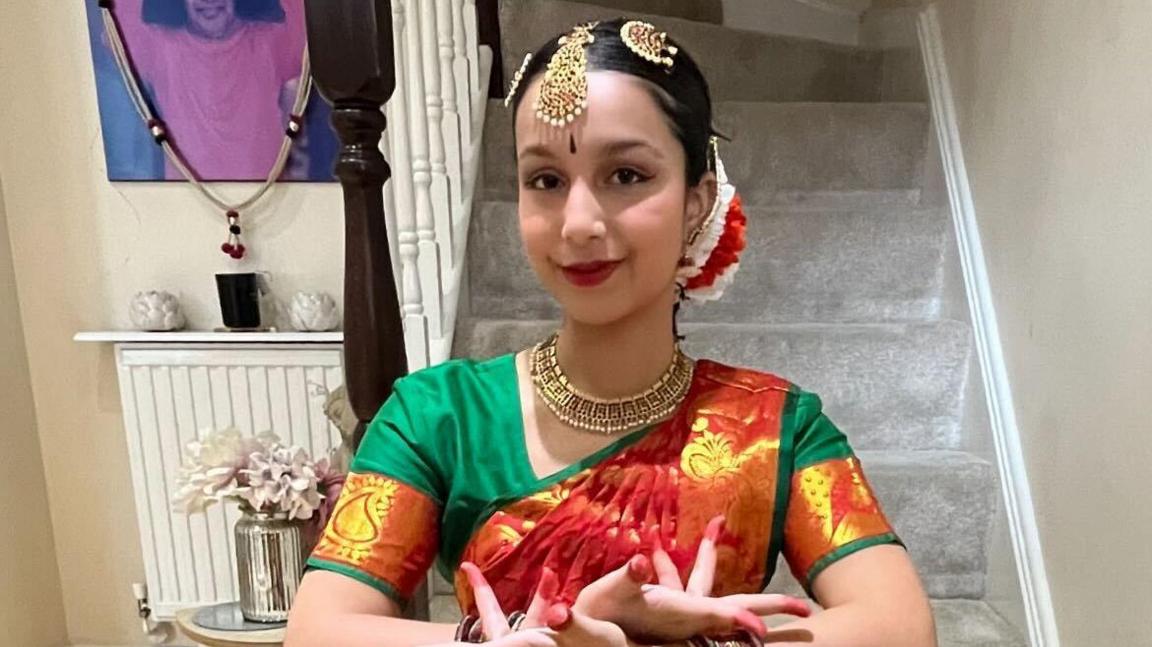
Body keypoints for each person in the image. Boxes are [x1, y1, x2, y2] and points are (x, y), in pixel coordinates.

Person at [286, 18, 936, 647]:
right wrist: (525, 640)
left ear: (697, 200)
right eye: (545, 180)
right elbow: (318, 631)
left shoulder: (773, 428)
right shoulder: (438, 416)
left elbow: (900, 627)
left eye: (626, 175)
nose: (578, 222)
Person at [108, 0, 310, 180]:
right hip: (183, 200)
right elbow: (118, 20)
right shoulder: (161, 48)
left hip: (271, 200)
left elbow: (306, 15)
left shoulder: (269, 43)